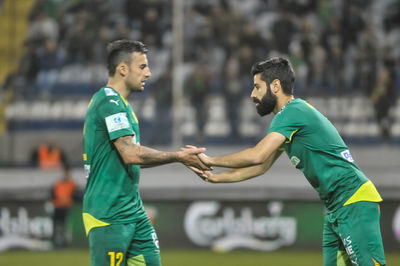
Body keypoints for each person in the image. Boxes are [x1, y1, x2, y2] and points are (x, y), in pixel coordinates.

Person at [191, 57, 386, 266]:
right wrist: (214, 178)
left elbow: (257, 155)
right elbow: (260, 167)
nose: (252, 94)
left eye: (257, 87)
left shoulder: (292, 112)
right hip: (336, 208)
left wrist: (210, 160)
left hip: (353, 200)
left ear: (275, 86)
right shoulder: (288, 118)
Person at [82, 40, 209, 266]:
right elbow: (131, 154)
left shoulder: (123, 105)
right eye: (142, 67)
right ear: (123, 68)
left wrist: (176, 159)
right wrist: (178, 157)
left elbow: (132, 160)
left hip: (133, 210)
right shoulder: (107, 101)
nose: (149, 73)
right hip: (108, 213)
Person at [51, 167, 76, 248]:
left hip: (66, 208)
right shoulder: (58, 184)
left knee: (65, 226)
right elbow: (52, 194)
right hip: (57, 207)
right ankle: (55, 242)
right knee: (56, 226)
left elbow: (75, 195)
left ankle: (65, 243)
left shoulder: (71, 184)